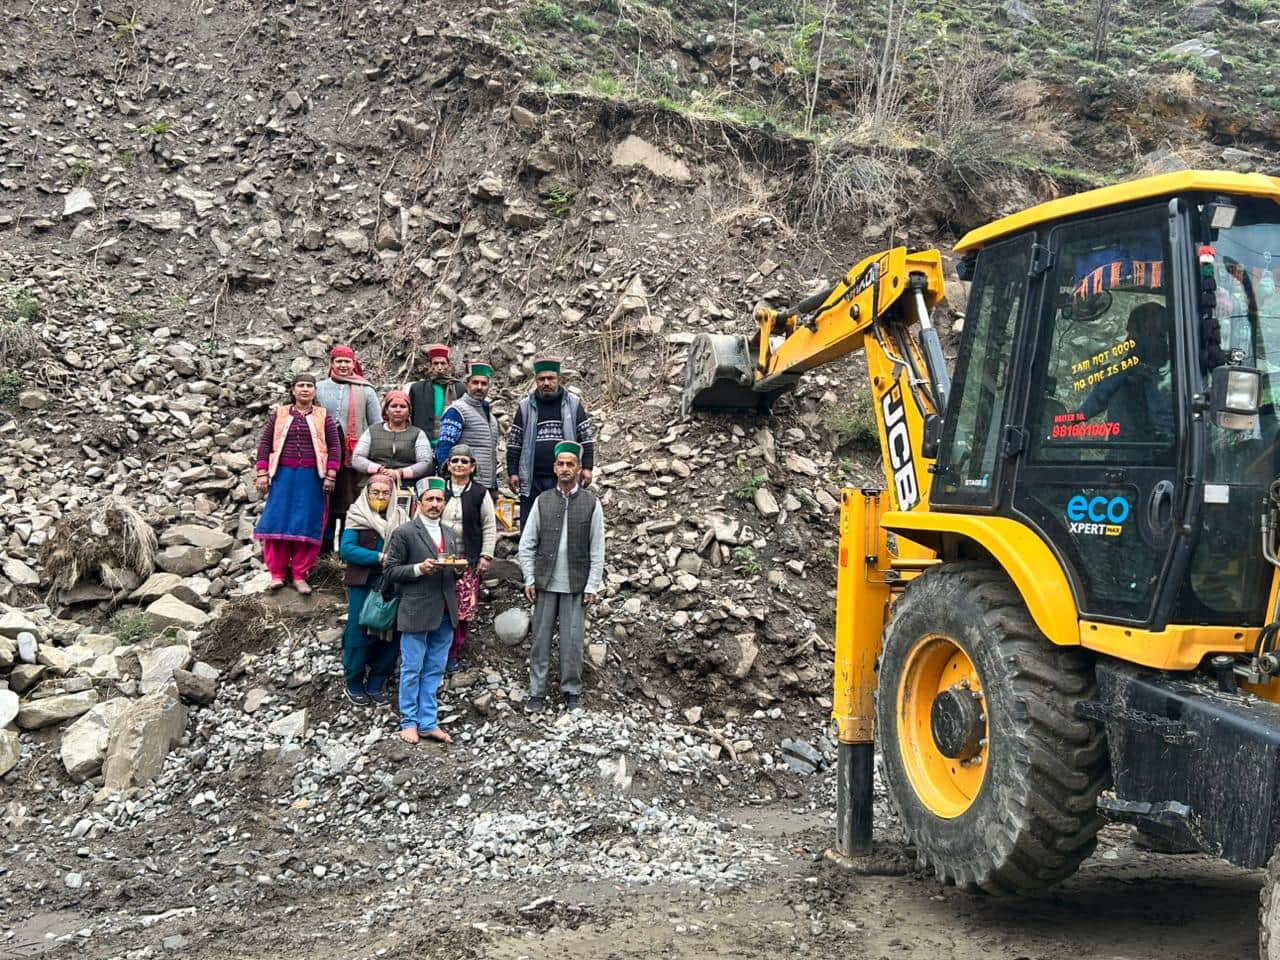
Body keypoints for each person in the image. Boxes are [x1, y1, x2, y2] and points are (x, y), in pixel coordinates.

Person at [517, 441, 605, 713]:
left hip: (576, 584)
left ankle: (572, 691)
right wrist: (530, 578)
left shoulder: (591, 504)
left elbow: (597, 548)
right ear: (554, 468)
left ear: (579, 468)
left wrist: (592, 584)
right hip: (545, 582)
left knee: (573, 641)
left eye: (571, 464)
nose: (566, 469)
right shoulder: (543, 501)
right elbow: (527, 543)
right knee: (540, 640)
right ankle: (537, 692)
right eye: (561, 464)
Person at [384, 477, 462, 744]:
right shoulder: (404, 533)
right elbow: (391, 571)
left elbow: (453, 571)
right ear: (419, 502)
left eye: (439, 499)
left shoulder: (450, 534)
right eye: (430, 499)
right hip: (416, 608)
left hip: (444, 609)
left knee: (435, 668)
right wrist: (419, 569)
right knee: (412, 667)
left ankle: (428, 722)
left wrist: (459, 569)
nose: (435, 504)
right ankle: (408, 721)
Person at [254, 372, 341, 593]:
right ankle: (277, 573)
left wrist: (331, 475)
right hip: (283, 476)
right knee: (278, 522)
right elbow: (265, 443)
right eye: (300, 386)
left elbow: (335, 447)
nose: (305, 389)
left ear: (315, 391)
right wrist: (262, 473)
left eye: (309, 386)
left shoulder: (324, 416)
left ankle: (301, 574)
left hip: (312, 477)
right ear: (293, 390)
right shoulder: (280, 414)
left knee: (308, 523)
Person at [339, 473, 407, 705]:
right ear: (367, 493)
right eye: (375, 492)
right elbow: (346, 549)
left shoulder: (401, 517)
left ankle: (378, 680)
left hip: (393, 583)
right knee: (358, 630)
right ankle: (354, 682)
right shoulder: (357, 514)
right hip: (363, 582)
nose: (380, 497)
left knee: (390, 631)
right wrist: (378, 557)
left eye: (385, 493)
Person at [507, 356, 595, 523]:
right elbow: (514, 443)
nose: (546, 383)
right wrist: (513, 472)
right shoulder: (525, 406)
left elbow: (585, 439)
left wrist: (587, 468)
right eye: (541, 379)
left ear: (559, 379)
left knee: (562, 525)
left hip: (563, 477)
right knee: (532, 524)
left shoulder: (573, 404)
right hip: (532, 480)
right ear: (536, 380)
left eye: (550, 378)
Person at [316, 345, 381, 553]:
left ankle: (347, 554)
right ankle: (322, 556)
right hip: (324, 458)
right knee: (324, 506)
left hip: (355, 460)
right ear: (331, 363)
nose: (343, 366)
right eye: (339, 361)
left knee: (350, 507)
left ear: (354, 364)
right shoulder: (318, 388)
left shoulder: (366, 390)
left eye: (347, 362)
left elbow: (376, 426)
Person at [440, 443, 497, 675]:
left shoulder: (480, 493)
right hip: (439, 560)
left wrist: (486, 555)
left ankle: (453, 653)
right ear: (448, 465)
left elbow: (489, 526)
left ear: (472, 466)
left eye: (465, 461)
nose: (459, 465)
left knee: (463, 611)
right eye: (455, 461)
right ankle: (437, 652)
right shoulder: (438, 489)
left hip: (468, 561)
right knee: (439, 607)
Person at [1080, 302, 1173, 441]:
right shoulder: (1125, 373)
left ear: (1149, 336)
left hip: (1160, 455)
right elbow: (1093, 403)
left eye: (1133, 335)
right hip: (1127, 455)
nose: (1127, 341)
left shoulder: (1180, 375)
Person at [436, 361, 501, 493]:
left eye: (484, 384)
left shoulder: (492, 418)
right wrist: (451, 480)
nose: (479, 387)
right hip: (463, 485)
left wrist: (494, 485)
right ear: (466, 385)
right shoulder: (456, 410)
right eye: (475, 382)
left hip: (486, 486)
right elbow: (444, 447)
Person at [351, 390, 433, 488]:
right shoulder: (372, 431)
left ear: (409, 411)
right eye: (393, 406)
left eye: (403, 407)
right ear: (386, 410)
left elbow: (425, 462)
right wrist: (380, 470)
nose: (398, 410)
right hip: (373, 485)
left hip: (406, 486)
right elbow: (357, 458)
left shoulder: (418, 433)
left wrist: (399, 473)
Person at [407, 343, 463, 458]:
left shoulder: (460, 388)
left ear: (449, 366)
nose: (439, 367)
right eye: (435, 363)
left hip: (454, 448)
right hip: (423, 446)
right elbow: (410, 419)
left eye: (443, 363)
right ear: (430, 366)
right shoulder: (417, 389)